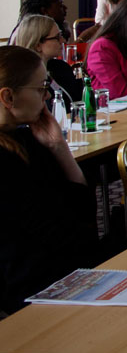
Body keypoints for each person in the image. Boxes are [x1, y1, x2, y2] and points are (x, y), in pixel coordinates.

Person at [0, 45, 94, 314]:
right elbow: (59, 235)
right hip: (32, 287)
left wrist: (59, 147)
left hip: (64, 269)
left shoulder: (30, 138)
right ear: (8, 97)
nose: (48, 95)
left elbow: (85, 212)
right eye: (41, 88)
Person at [10, 14, 82, 101]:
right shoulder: (25, 82)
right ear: (38, 45)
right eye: (57, 37)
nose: (63, 40)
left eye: (61, 35)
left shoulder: (61, 68)